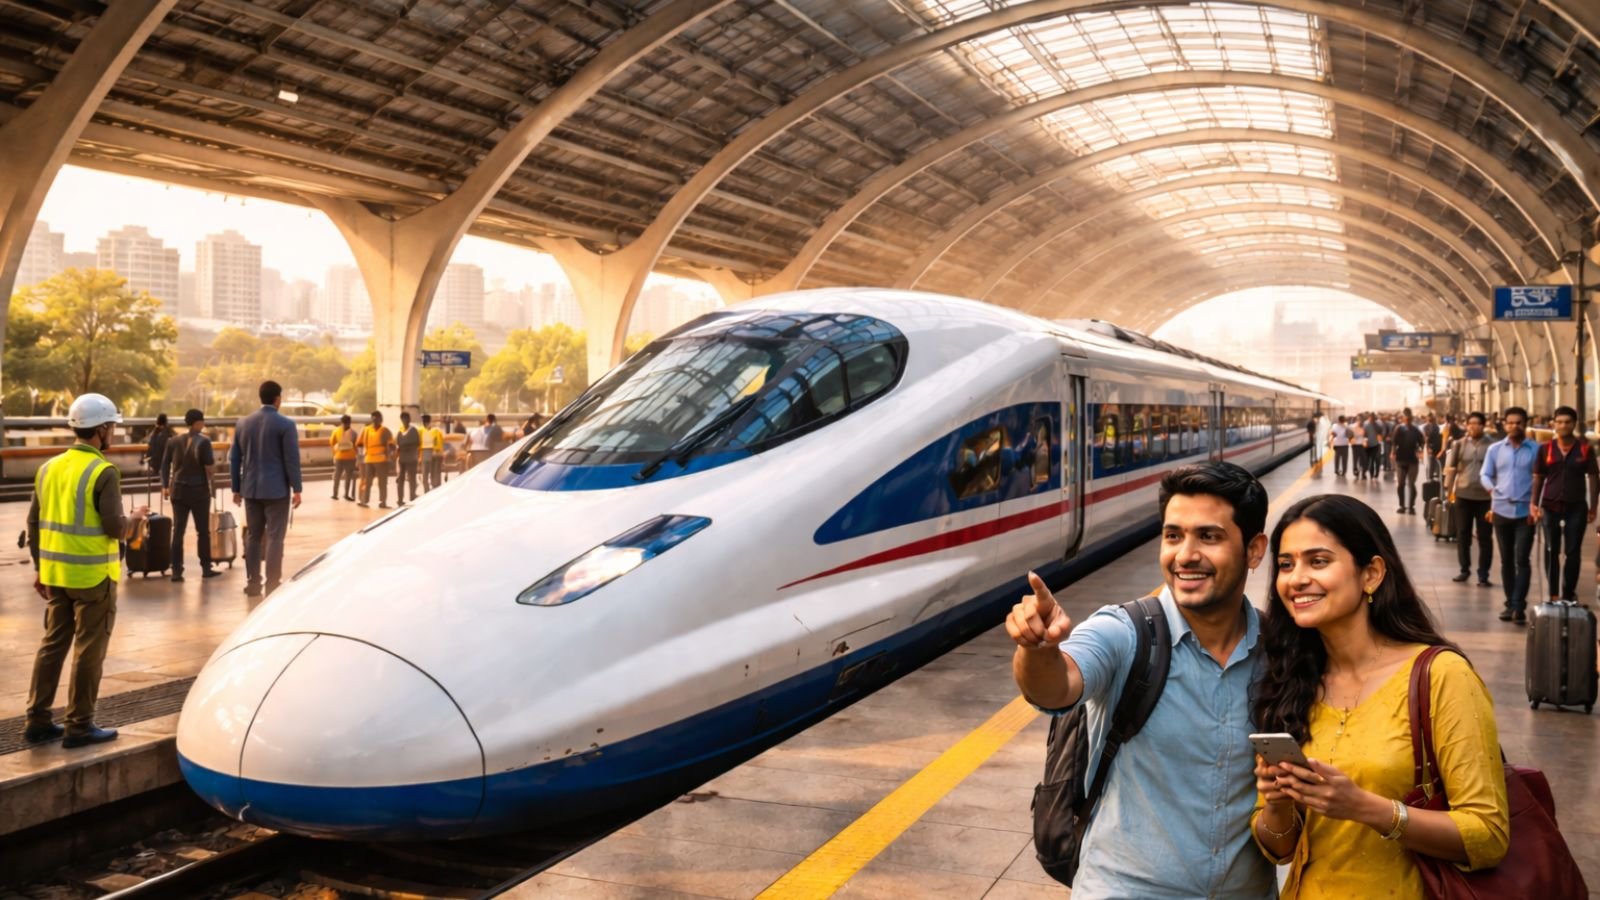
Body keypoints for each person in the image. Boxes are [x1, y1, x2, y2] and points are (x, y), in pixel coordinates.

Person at [1008, 462, 1275, 898]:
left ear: (1254, 550)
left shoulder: (1278, 649)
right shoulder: (1125, 631)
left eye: (1208, 537)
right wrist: (1038, 649)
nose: (1185, 555)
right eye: (1173, 536)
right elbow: (1056, 687)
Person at [1250, 494, 1509, 899]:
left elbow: (1488, 834)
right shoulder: (1293, 682)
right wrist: (1276, 803)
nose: (1296, 578)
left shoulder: (1441, 676)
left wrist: (1365, 808)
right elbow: (1280, 850)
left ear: (1371, 574)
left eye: (1318, 561)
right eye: (1286, 564)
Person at [24, 393, 149, 748]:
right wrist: (135, 518)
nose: (114, 433)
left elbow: (33, 523)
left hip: (56, 576)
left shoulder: (48, 468)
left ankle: (37, 721)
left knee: (52, 646)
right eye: (112, 427)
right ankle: (79, 726)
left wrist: (41, 568)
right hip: (94, 578)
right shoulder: (103, 471)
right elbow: (115, 528)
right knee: (88, 651)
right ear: (102, 429)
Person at [230, 380, 303, 599]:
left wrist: (236, 488)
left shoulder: (243, 423)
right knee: (274, 537)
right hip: (276, 491)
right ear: (277, 398)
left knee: (253, 536)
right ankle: (272, 583)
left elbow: (235, 459)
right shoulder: (285, 425)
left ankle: (253, 583)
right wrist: (297, 488)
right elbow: (292, 460)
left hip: (251, 490)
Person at [1530, 405, 1598, 603]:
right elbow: (1538, 477)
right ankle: (1553, 592)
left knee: (1572, 551)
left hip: (1576, 506)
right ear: (1554, 424)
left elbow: (1594, 478)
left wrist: (1593, 507)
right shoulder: (1546, 449)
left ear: (1574, 424)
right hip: (1550, 506)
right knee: (1551, 549)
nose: (1563, 426)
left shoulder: (1585, 449)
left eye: (1567, 422)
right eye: (1559, 422)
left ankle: (1568, 593)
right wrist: (1534, 503)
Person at [1480, 406, 1537, 624]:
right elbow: (1485, 474)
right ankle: (1509, 604)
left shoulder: (1536, 450)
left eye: (1519, 422)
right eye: (1510, 422)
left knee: (1522, 558)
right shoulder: (1495, 449)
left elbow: (1542, 478)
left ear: (1525, 424)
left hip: (1525, 512)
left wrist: (1536, 504)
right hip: (1501, 509)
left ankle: (1519, 605)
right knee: (1506, 559)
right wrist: (1492, 490)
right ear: (1504, 424)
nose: (1514, 426)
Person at [162, 409, 220, 582]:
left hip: (178, 490)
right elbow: (209, 466)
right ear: (198, 423)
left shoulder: (173, 441)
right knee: (202, 531)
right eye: (202, 421)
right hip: (199, 492)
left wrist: (165, 486)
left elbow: (164, 465)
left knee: (178, 531)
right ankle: (206, 568)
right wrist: (212, 472)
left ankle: (176, 571)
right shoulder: (204, 441)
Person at [1443, 412, 1495, 587]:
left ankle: (1483, 573)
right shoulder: (1459, 444)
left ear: (1483, 425)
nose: (1473, 426)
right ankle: (1464, 569)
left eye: (1477, 423)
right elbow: (1451, 468)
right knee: (1463, 534)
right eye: (1470, 423)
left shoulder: (1492, 446)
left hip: (1485, 497)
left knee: (1485, 536)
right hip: (1463, 495)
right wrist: (1448, 491)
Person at [356, 410, 395, 509]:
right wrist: (360, 458)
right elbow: (359, 444)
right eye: (373, 418)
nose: (375, 420)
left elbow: (392, 445)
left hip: (381, 459)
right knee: (367, 481)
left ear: (380, 419)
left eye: (377, 418)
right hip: (369, 459)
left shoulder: (385, 430)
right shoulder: (366, 430)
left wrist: (390, 457)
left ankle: (383, 502)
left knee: (382, 482)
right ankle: (364, 500)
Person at [1389, 409, 1424, 514]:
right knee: (1401, 484)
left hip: (1412, 460)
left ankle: (1411, 506)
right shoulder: (1399, 429)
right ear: (1403, 418)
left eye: (1409, 418)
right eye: (1406, 418)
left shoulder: (1415, 430)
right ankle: (1402, 505)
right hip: (1400, 459)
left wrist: (1420, 450)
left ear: (1411, 418)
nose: (1408, 420)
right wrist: (1393, 452)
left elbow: (1421, 442)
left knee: (1411, 484)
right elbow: (1394, 442)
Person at [394, 411, 421, 505]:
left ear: (409, 419)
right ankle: (400, 499)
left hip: (411, 459)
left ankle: (412, 496)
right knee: (401, 479)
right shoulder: (400, 432)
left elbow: (417, 443)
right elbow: (397, 444)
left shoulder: (413, 430)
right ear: (401, 420)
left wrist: (404, 447)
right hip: (402, 459)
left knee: (411, 478)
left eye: (406, 418)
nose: (405, 420)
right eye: (403, 419)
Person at [329, 414, 358, 501]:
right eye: (344, 423)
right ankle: (338, 494)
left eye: (346, 423)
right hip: (344, 457)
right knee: (340, 476)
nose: (345, 425)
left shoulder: (337, 431)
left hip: (347, 457)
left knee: (343, 476)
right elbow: (356, 446)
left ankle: (341, 494)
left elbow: (332, 443)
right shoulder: (353, 433)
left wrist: (334, 454)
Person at [145, 412, 173, 477]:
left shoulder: (155, 432)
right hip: (163, 460)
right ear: (166, 422)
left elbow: (150, 445)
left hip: (154, 460)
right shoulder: (167, 432)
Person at [421, 413, 445, 491]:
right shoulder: (436, 430)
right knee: (434, 474)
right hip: (434, 453)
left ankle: (432, 490)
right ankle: (434, 490)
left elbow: (437, 442)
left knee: (432, 475)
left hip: (432, 453)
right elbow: (441, 442)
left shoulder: (432, 431)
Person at [1422, 412, 1443, 482]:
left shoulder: (1434, 427)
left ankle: (1430, 478)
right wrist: (1428, 447)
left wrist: (1428, 447)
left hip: (1433, 446)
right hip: (1433, 446)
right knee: (1431, 463)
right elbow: (1426, 438)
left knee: (1431, 463)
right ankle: (1431, 477)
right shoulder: (1433, 426)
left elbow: (1426, 438)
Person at [1350, 415, 1367, 482]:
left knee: (1364, 460)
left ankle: (1363, 473)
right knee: (1355, 459)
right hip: (1355, 445)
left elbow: (1365, 436)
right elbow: (1349, 435)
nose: (1360, 421)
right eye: (1358, 420)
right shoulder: (1352, 426)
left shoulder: (1364, 427)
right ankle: (1356, 472)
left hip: (1362, 445)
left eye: (1361, 420)